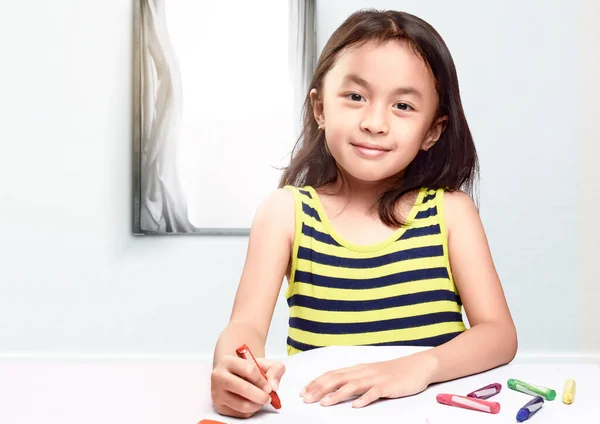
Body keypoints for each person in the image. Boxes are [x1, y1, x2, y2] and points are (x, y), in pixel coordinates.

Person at [210, 8, 517, 419]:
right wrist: (235, 370)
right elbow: (245, 328)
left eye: (403, 106)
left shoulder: (450, 213)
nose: (375, 123)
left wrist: (416, 368)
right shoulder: (285, 213)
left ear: (433, 130)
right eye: (355, 97)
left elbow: (498, 335)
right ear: (320, 108)